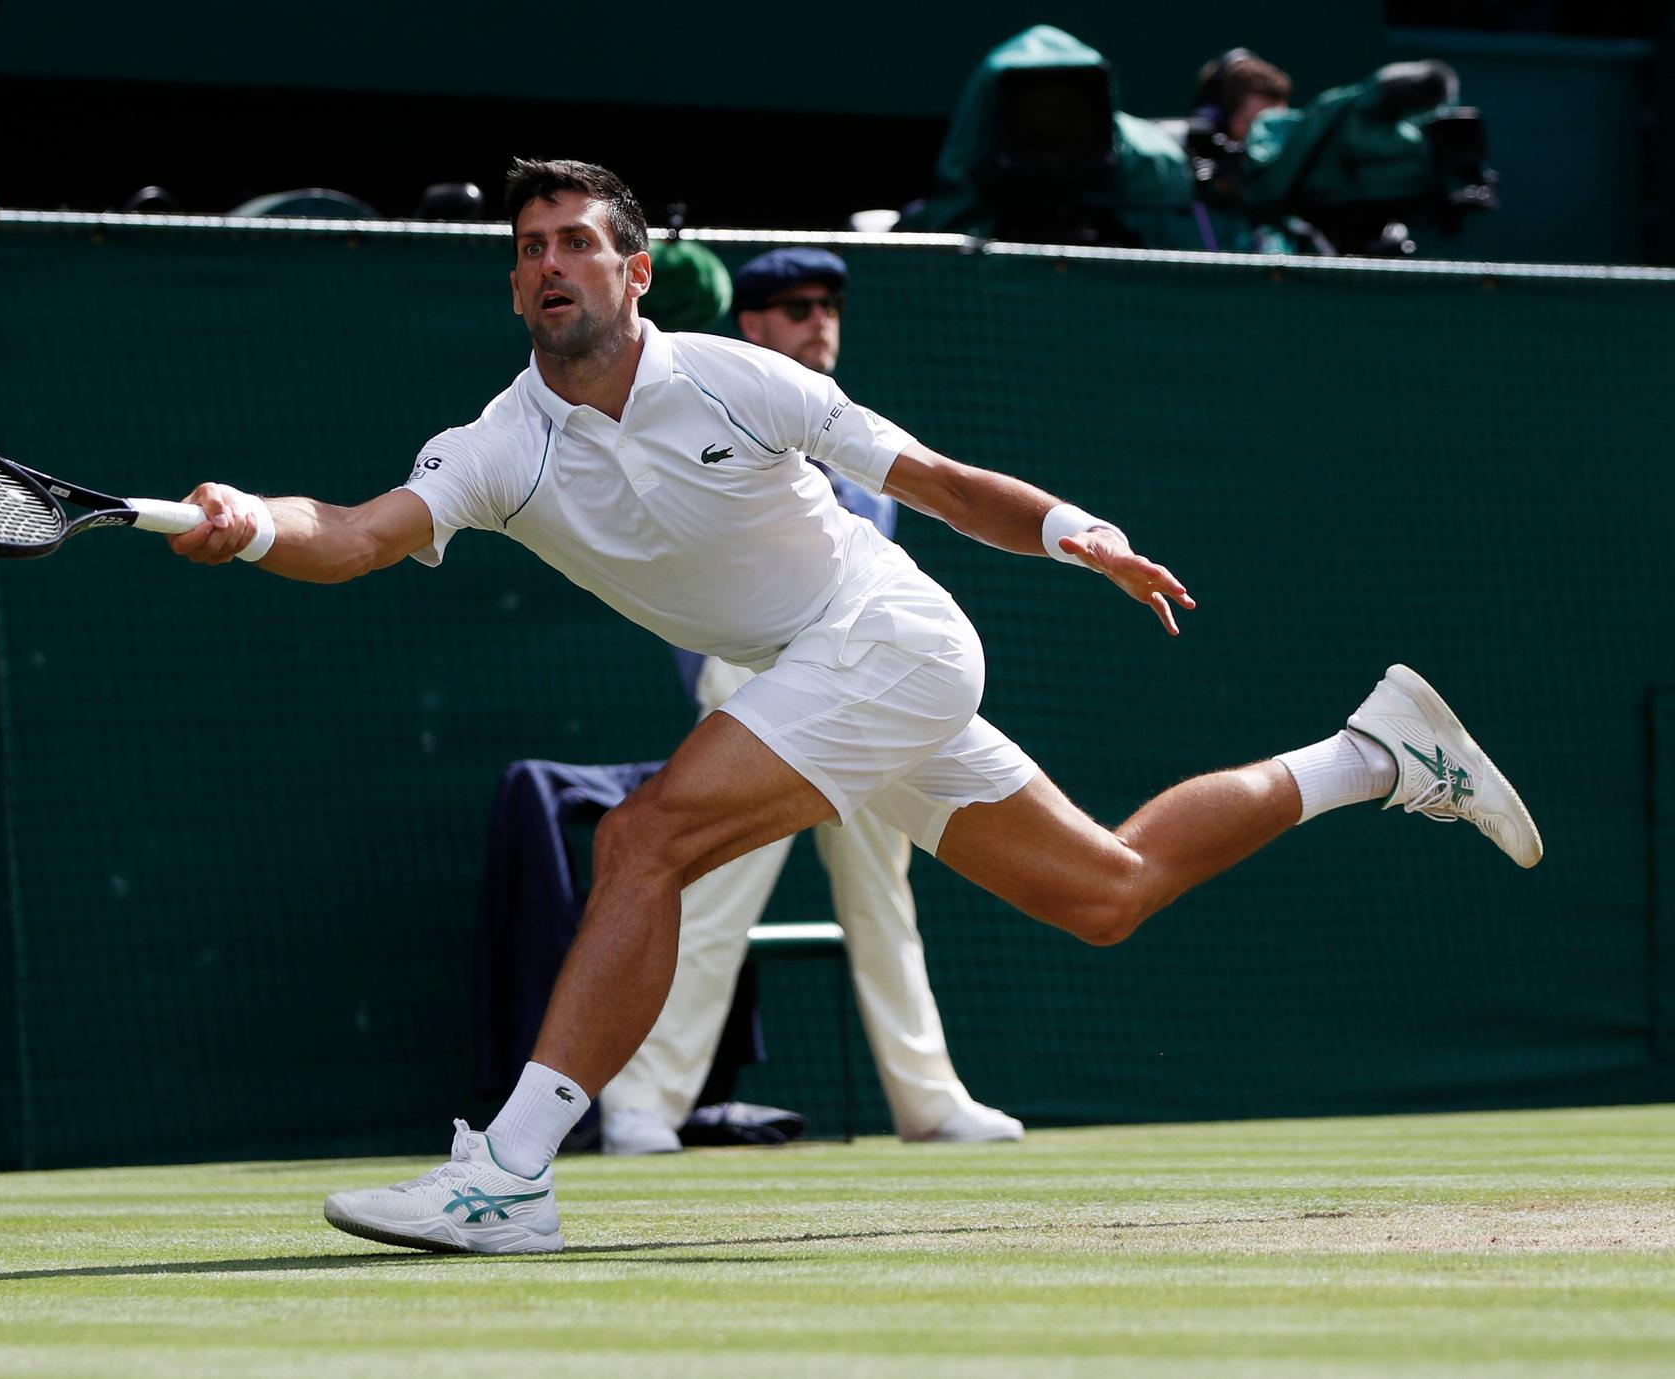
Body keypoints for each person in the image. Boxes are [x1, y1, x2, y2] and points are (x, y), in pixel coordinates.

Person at [165, 158, 1542, 1256]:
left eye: (576, 241)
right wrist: (253, 521)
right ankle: (1376, 751)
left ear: (634, 271)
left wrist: (1077, 529)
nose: (548, 265)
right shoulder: (498, 444)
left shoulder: (736, 372)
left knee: (645, 840)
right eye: (528, 248)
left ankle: (510, 1172)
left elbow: (934, 478)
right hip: (817, 675)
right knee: (1108, 889)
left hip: (887, 634)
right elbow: (352, 529)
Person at [599, 246, 1023, 1155]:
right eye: (794, 306)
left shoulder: (851, 429)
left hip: (866, 684)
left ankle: (929, 1101)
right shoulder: (708, 408)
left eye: (828, 303)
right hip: (757, 685)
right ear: (749, 325)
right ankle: (640, 1104)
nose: (817, 319)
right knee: (712, 897)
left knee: (884, 896)